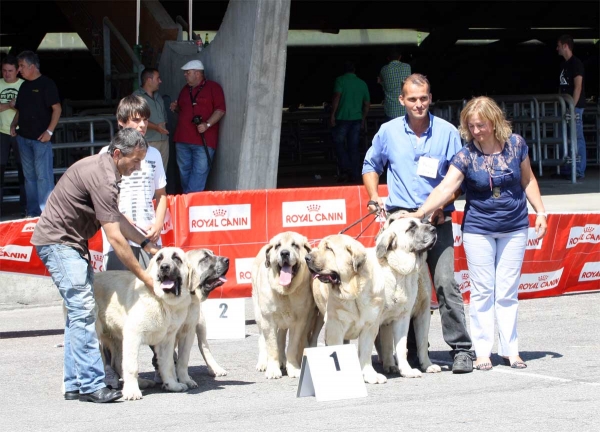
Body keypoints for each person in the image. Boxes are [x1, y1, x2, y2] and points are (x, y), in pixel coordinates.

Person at [398, 96, 547, 371]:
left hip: (515, 227)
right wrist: (420, 213)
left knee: (507, 290)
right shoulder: (466, 155)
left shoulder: (516, 145)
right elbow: (445, 187)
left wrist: (540, 211)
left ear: (494, 122)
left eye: (481, 125)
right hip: (479, 228)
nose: (476, 131)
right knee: (481, 290)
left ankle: (511, 350)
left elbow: (528, 179)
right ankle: (482, 351)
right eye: (471, 126)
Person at [31, 128, 160, 403]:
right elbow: (114, 236)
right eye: (135, 161)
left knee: (78, 314)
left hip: (69, 243)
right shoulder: (102, 177)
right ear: (117, 153)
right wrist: (145, 277)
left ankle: (74, 383)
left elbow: (117, 218)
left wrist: (146, 243)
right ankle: (91, 384)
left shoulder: (106, 170)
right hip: (59, 243)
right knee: (83, 310)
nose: (138, 168)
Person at [363, 73, 475, 374]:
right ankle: (408, 353)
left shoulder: (448, 132)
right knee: (398, 288)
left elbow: (459, 178)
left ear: (430, 98)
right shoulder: (387, 131)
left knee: (445, 283)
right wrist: (375, 198)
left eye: (423, 98)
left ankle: (462, 350)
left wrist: (442, 207)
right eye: (412, 99)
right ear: (402, 100)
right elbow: (370, 166)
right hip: (400, 222)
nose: (418, 104)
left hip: (436, 218)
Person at [99, 95, 167, 388]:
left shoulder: (154, 155)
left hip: (151, 240)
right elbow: (107, 205)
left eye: (144, 120)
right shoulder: (107, 154)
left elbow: (161, 195)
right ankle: (111, 369)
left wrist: (159, 221)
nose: (141, 125)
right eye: (135, 120)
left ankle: (163, 363)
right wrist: (129, 230)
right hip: (120, 240)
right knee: (115, 307)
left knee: (158, 299)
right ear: (121, 123)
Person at [9, 51, 61, 217]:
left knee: (43, 177)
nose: (20, 70)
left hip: (40, 139)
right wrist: (13, 123)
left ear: (32, 67)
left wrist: (49, 131)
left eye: (22, 66)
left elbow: (57, 109)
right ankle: (32, 213)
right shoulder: (24, 86)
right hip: (23, 138)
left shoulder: (47, 84)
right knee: (29, 178)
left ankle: (47, 214)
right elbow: (20, 110)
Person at [170, 60, 225, 193]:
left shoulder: (213, 87)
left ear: (198, 73)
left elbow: (220, 110)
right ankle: (188, 199)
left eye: (188, 73)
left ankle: (189, 201)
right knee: (184, 172)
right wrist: (175, 108)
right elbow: (182, 111)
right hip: (182, 138)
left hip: (203, 139)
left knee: (199, 172)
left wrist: (207, 124)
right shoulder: (185, 89)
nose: (185, 75)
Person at [330, 61, 371, 183]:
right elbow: (367, 103)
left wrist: (332, 114)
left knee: (338, 143)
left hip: (342, 117)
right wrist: (363, 118)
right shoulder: (362, 83)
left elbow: (337, 97)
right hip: (357, 118)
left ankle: (346, 168)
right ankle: (355, 173)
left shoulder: (340, 80)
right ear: (354, 70)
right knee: (354, 146)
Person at [556, 34, 586, 180]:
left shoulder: (576, 63)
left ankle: (579, 170)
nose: (557, 49)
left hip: (574, 107)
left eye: (559, 46)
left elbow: (578, 87)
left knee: (577, 137)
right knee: (565, 137)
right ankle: (567, 169)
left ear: (565, 46)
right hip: (565, 107)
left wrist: (572, 107)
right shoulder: (564, 65)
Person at [0, 55, 26, 215]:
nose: (7, 74)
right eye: (4, 70)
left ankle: (26, 208)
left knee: (24, 171)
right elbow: (18, 106)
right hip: (1, 133)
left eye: (10, 70)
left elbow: (29, 107)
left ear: (17, 70)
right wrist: (10, 105)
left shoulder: (25, 85)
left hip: (21, 132)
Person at [134, 67, 170, 170]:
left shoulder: (158, 96)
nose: (160, 81)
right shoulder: (137, 97)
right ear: (149, 80)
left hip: (163, 140)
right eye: (158, 78)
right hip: (148, 141)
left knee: (162, 174)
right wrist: (155, 127)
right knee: (147, 173)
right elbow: (136, 119)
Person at [378, 48, 411, 122]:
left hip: (390, 110)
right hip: (405, 109)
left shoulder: (384, 69)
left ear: (388, 58)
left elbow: (380, 81)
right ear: (400, 57)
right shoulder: (407, 67)